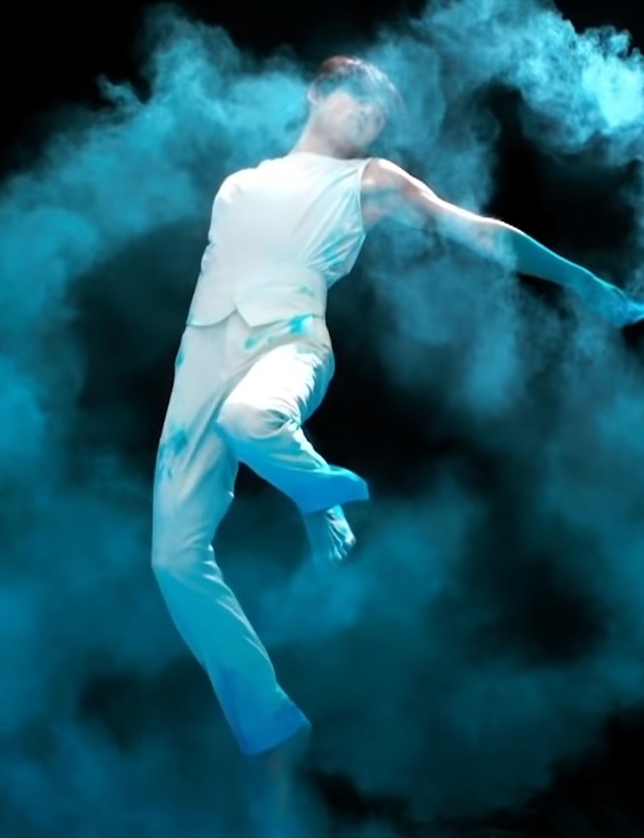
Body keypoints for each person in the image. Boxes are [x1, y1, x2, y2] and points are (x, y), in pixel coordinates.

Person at [150, 54, 644, 824]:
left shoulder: (370, 180)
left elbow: (478, 232)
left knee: (253, 420)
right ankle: (271, 725)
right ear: (319, 92)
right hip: (201, 357)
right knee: (174, 559)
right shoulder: (239, 186)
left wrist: (580, 280)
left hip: (288, 343)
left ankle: (321, 491)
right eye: (359, 101)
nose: (370, 120)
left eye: (380, 114)